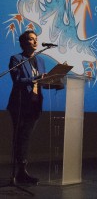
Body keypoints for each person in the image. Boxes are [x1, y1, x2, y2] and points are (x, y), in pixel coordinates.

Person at [7, 30, 46, 184]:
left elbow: (42, 81)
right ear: (23, 43)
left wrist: (55, 82)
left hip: (35, 104)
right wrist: (35, 78)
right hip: (20, 104)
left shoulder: (40, 61)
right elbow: (17, 80)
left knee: (26, 137)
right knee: (20, 137)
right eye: (31, 39)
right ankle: (21, 170)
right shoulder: (17, 59)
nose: (35, 42)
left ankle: (22, 171)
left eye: (36, 39)